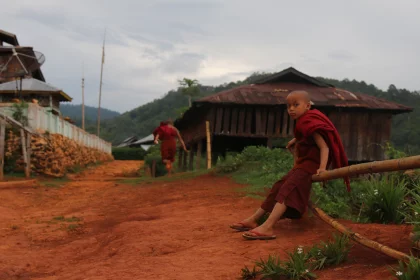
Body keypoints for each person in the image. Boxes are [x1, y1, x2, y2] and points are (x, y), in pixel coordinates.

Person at [230, 90, 350, 240]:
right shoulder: (303, 122)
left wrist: (322, 168)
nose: (291, 109)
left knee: (287, 190)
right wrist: (296, 139)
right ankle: (254, 219)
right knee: (278, 187)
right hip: (302, 165)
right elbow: (305, 137)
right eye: (289, 106)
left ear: (307, 106)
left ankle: (267, 226)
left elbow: (324, 147)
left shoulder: (309, 122)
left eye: (296, 105)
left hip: (310, 167)